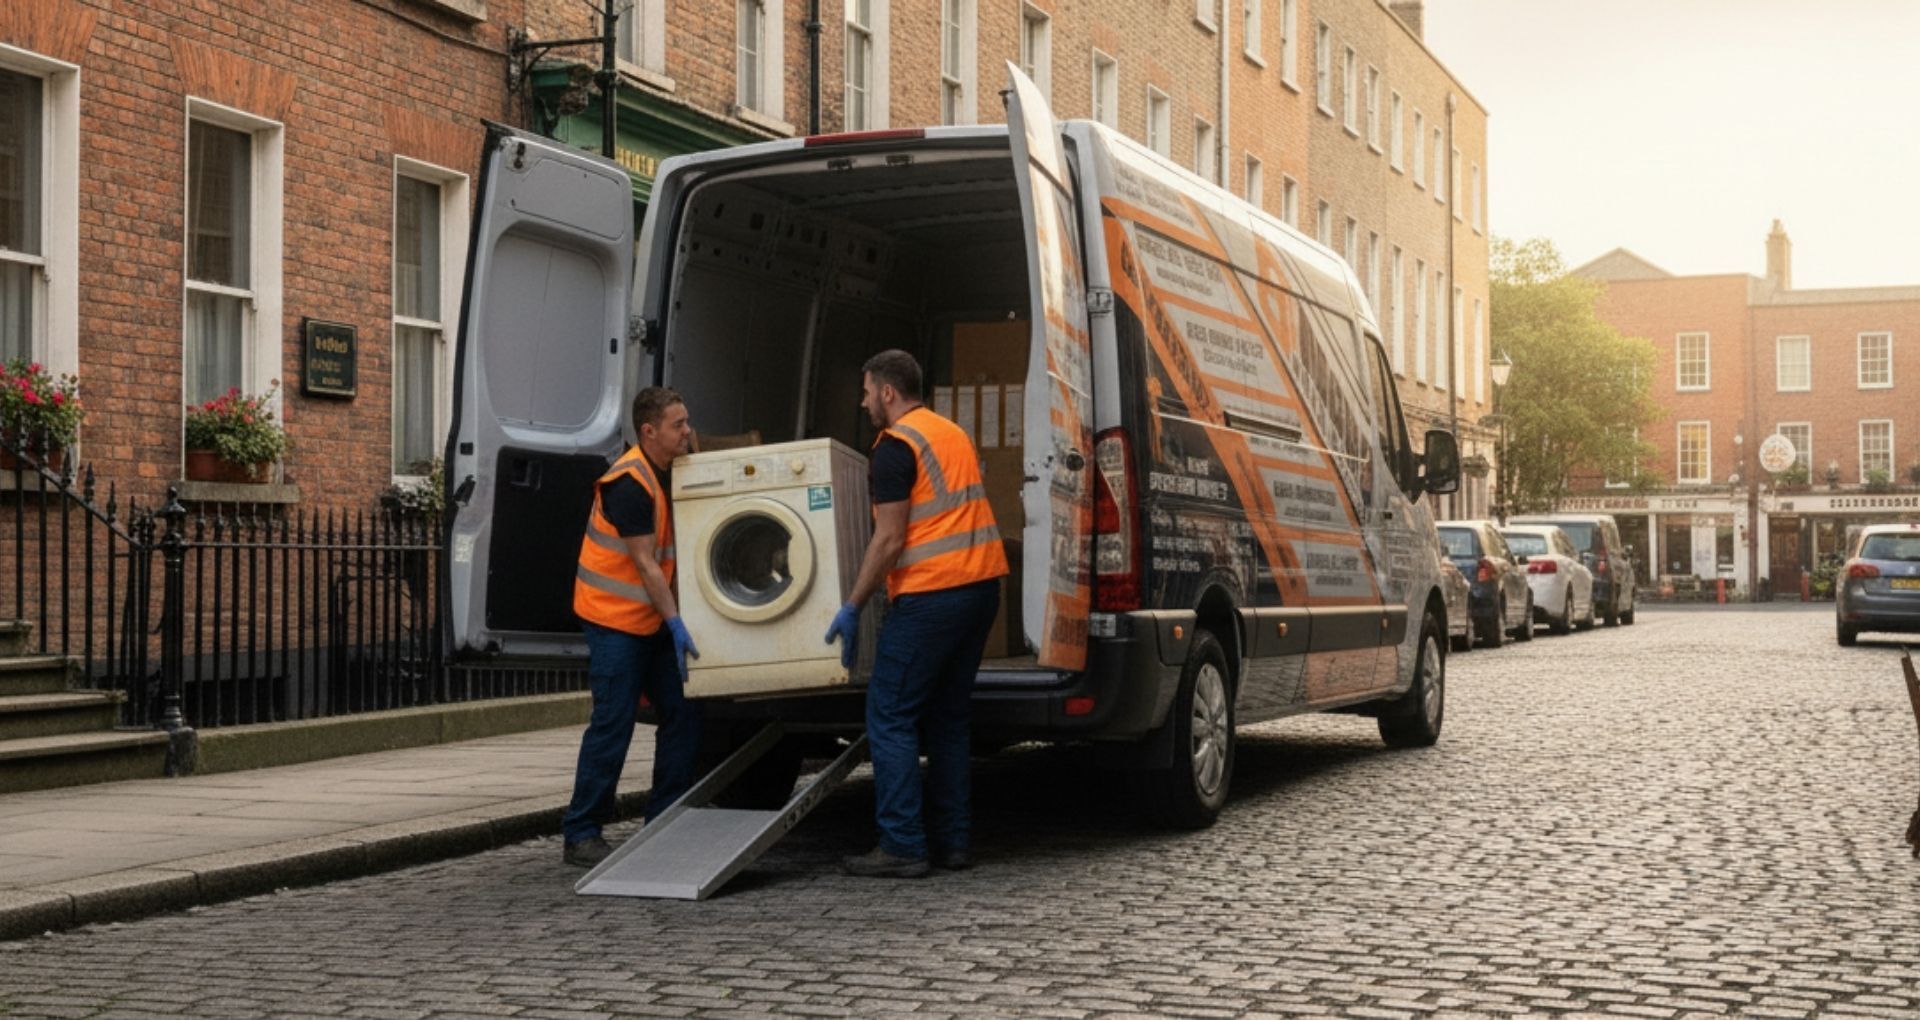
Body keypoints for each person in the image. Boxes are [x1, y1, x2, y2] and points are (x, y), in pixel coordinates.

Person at [826, 350, 1008, 878]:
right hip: (981, 590)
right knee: (948, 719)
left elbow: (888, 539)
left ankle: (902, 843)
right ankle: (953, 842)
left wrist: (853, 604)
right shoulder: (949, 432)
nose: (863, 403)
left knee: (890, 713)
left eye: (866, 392)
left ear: (888, 392)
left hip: (932, 595)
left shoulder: (894, 447)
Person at [561, 387, 704, 868]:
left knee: (683, 713)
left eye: (686, 422)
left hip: (652, 620)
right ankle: (582, 832)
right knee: (613, 724)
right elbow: (645, 564)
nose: (688, 431)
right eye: (679, 425)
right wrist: (677, 622)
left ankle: (664, 819)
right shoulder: (628, 484)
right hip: (614, 621)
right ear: (649, 432)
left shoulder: (671, 471)